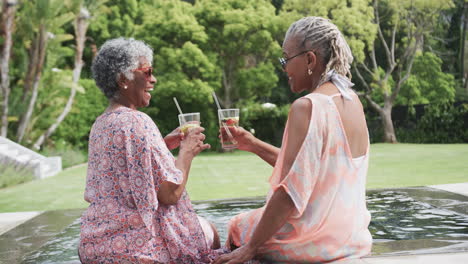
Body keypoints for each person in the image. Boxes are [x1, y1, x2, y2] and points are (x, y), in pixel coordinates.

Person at [214, 17, 372, 263]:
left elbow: (289, 194)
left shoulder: (307, 106)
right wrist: (253, 145)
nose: (284, 67)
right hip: (352, 239)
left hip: (313, 243)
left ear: (310, 59)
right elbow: (314, 172)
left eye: (286, 58)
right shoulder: (352, 100)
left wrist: (251, 248)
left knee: (237, 226)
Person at [78, 38, 221, 263]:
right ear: (123, 79)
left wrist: (162, 145)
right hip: (137, 249)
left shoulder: (100, 125)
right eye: (147, 71)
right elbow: (169, 195)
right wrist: (186, 152)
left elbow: (128, 168)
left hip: (95, 248)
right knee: (210, 232)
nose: (153, 79)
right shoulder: (138, 121)